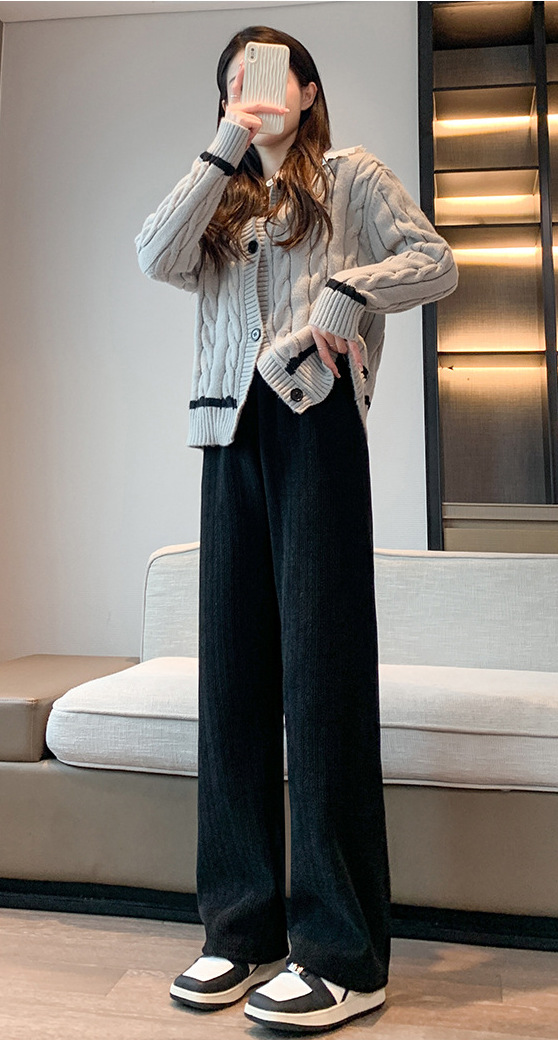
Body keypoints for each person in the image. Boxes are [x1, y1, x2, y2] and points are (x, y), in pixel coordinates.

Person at [135, 24, 458, 1033]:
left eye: (272, 72)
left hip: (314, 429)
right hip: (225, 438)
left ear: (308, 90)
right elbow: (151, 254)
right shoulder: (220, 200)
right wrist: (225, 143)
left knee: (321, 681)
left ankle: (343, 953)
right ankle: (241, 928)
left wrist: (349, 292)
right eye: (236, 78)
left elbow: (435, 261)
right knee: (231, 685)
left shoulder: (352, 177)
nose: (255, 86)